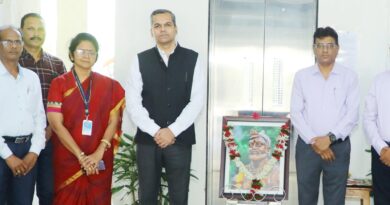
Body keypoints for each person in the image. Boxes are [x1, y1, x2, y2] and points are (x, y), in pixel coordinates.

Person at [126, 9, 206, 205]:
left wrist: (172, 131)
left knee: (179, 197)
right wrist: (156, 131)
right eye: (157, 25)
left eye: (167, 24)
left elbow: (197, 101)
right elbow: (133, 102)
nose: (162, 29)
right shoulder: (140, 60)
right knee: (147, 196)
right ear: (151, 31)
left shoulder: (193, 59)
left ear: (175, 28)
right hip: (147, 140)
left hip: (180, 140)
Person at [47, 33, 125, 205]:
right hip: (67, 158)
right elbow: (56, 124)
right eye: (82, 51)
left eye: (92, 52)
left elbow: (114, 120)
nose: (87, 55)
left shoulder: (110, 86)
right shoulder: (59, 84)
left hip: (99, 158)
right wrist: (81, 156)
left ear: (97, 56)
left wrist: (98, 153)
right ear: (72, 54)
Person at [290, 26, 359, 205]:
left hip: (338, 147)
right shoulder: (301, 77)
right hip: (308, 147)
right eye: (320, 45)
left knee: (335, 200)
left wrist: (329, 138)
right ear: (314, 48)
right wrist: (315, 140)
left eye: (329, 45)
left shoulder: (349, 77)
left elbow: (352, 115)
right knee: (306, 198)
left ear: (337, 48)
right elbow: (296, 113)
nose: (325, 50)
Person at [19, 12, 67, 205]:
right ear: (21, 31)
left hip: (49, 139)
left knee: (48, 192)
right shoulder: (12, 61)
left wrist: (50, 129)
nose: (36, 33)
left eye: (40, 29)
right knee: (20, 195)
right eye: (31, 28)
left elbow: (65, 102)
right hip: (20, 139)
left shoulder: (56, 64)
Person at [0, 25, 46, 204]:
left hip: (27, 151)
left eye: (17, 41)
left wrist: (34, 152)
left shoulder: (31, 77)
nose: (13, 46)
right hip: (2, 150)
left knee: (23, 202)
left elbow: (39, 117)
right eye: (7, 41)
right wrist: (9, 157)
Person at [363, 70, 390, 204]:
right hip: (383, 152)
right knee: (382, 200)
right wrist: (382, 148)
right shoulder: (379, 81)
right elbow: (369, 119)